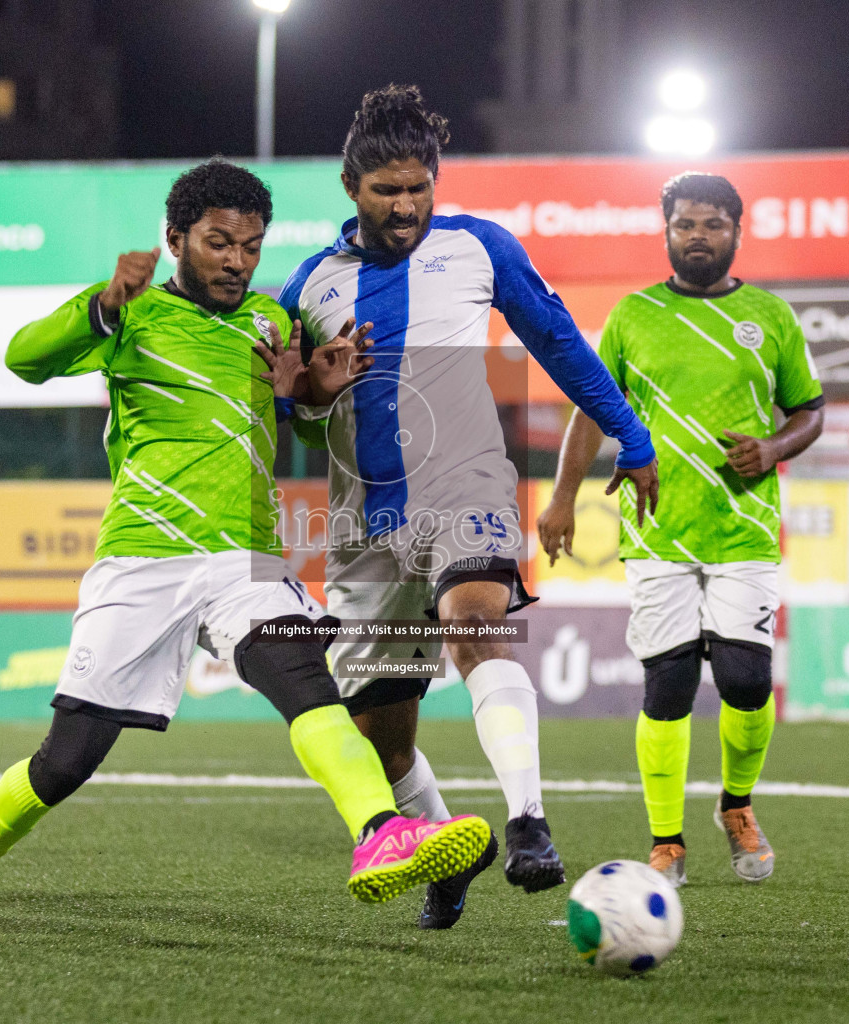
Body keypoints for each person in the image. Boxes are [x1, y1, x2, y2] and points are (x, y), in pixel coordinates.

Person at [0, 159, 492, 947]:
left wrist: (312, 400)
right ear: (175, 241)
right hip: (144, 557)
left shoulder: (271, 320)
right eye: (219, 243)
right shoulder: (132, 315)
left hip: (249, 560)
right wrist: (101, 305)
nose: (237, 261)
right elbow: (24, 358)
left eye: (251, 246)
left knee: (307, 684)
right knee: (67, 760)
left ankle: (380, 830)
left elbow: (290, 423)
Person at [280, 85, 659, 928]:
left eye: (420, 187)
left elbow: (560, 343)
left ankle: (528, 820)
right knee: (384, 739)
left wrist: (632, 439)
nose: (407, 205)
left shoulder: (480, 249)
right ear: (351, 186)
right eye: (388, 190)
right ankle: (447, 850)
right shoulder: (308, 285)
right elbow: (296, 417)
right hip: (364, 521)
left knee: (476, 625)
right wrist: (309, 394)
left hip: (468, 486)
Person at [537, 172, 825, 889]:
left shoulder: (771, 316)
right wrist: (563, 497)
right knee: (665, 686)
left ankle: (736, 807)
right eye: (686, 224)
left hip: (745, 527)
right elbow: (588, 409)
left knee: (745, 678)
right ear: (666, 231)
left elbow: (810, 410)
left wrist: (776, 448)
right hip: (659, 526)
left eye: (713, 224)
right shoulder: (634, 316)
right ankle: (666, 842)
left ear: (737, 231)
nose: (699, 236)